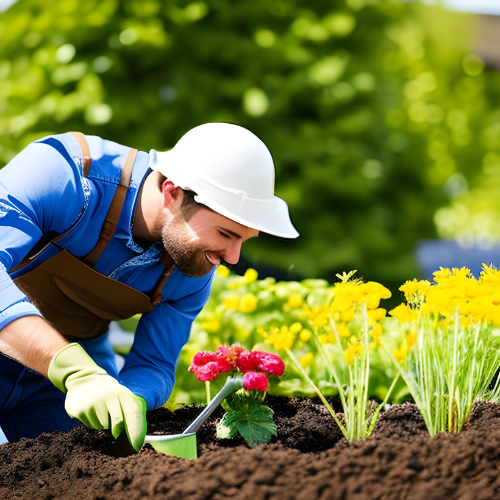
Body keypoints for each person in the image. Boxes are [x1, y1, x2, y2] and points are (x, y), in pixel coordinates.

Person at [0, 123, 298, 451]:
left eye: (244, 240)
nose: (232, 257)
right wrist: (74, 371)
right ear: (172, 192)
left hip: (65, 382)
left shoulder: (192, 268)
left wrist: (132, 397)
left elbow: (154, 364)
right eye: (226, 234)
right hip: (68, 368)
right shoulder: (65, 174)